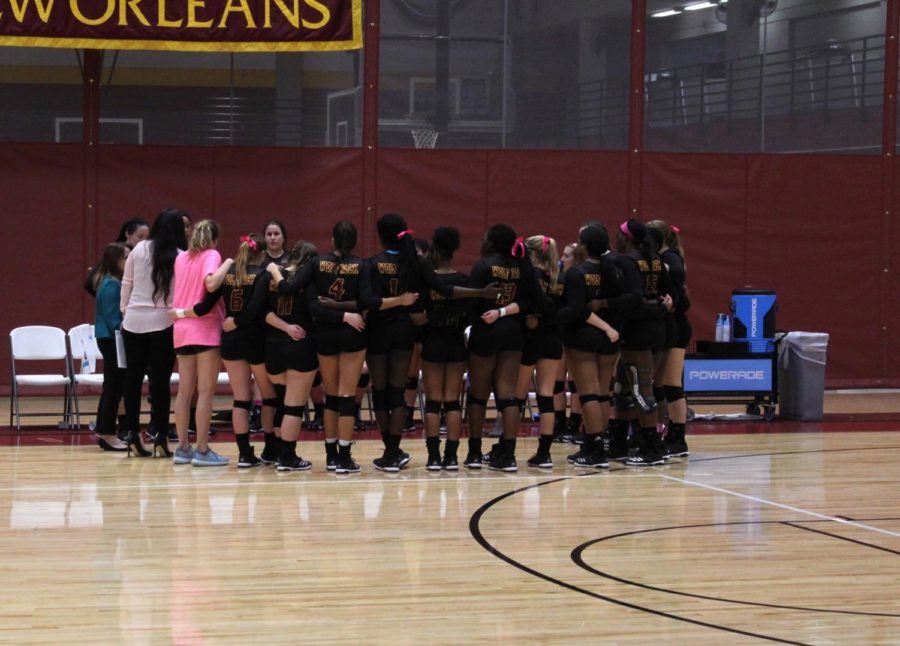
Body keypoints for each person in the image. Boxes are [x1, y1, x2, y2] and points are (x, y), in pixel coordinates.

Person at [365, 213, 497, 472]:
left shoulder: (371, 264)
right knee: (401, 393)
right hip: (407, 332)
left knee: (381, 393)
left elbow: (368, 301)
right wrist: (480, 292)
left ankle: (393, 451)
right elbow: (444, 289)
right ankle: (440, 455)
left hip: (380, 330)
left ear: (379, 236)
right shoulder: (418, 262)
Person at [269, 221, 372, 474]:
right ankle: (345, 459)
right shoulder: (362, 265)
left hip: (325, 335)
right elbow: (368, 301)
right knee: (348, 398)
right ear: (355, 241)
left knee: (331, 398)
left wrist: (273, 269)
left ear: (333, 239)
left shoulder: (316, 264)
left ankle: (330, 456)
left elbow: (293, 291)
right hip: (353, 334)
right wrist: (347, 313)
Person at [178, 233, 278, 468]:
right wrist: (239, 321)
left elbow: (204, 306)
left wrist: (181, 313)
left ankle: (244, 454)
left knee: (240, 399)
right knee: (268, 397)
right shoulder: (262, 275)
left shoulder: (227, 275)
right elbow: (255, 309)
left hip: (231, 341)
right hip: (255, 339)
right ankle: (270, 449)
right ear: (262, 254)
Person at [465, 224, 537, 472]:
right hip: (513, 334)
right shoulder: (522, 267)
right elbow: (529, 300)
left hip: (486, 331)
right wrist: (505, 312)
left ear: (492, 242)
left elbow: (472, 301)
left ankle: (474, 453)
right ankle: (508, 455)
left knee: (478, 395)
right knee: (508, 396)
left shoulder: (483, 266)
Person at [120, 208, 186, 458]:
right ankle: (159, 434)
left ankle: (132, 433)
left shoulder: (139, 249)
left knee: (132, 380)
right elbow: (180, 293)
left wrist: (125, 311)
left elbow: (127, 282)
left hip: (133, 322)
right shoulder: (180, 255)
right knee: (160, 382)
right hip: (163, 323)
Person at [557, 225, 623, 468]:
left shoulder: (577, 273)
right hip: (610, 341)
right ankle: (598, 442)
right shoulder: (614, 271)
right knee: (603, 394)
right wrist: (609, 329)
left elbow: (578, 309)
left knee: (588, 394)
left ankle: (595, 449)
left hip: (583, 338)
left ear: (583, 246)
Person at [612, 219, 675, 467]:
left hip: (638, 333)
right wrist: (661, 307)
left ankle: (651, 447)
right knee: (624, 388)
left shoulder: (626, 261)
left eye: (618, 234)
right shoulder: (657, 261)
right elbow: (675, 296)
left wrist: (654, 307)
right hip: (657, 330)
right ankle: (619, 442)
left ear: (626, 239)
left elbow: (634, 303)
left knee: (641, 390)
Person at [171, 220, 231, 467]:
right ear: (214, 239)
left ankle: (183, 448)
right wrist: (228, 262)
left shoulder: (181, 258)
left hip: (181, 328)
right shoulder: (213, 255)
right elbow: (210, 284)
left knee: (185, 391)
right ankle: (203, 450)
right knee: (206, 391)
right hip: (204, 327)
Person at [414, 227, 472, 470]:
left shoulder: (428, 282)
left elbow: (417, 316)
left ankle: (433, 457)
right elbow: (469, 316)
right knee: (452, 402)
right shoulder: (464, 282)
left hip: (433, 344)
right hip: (456, 343)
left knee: (433, 401)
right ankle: (452, 457)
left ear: (434, 249)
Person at [262, 240, 322, 471]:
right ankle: (288, 458)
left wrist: (283, 327)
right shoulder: (309, 281)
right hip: (299, 346)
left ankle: (278, 452)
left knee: (280, 402)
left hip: (273, 346)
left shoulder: (270, 278)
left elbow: (262, 312)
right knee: (294, 406)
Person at [516, 235, 566, 468]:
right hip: (553, 339)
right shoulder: (560, 278)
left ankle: (506, 449)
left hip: (531, 339)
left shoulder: (531, 276)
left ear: (531, 253)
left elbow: (527, 306)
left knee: (517, 396)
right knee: (546, 396)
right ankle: (544, 452)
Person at [647, 219, 691, 458]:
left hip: (677, 326)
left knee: (672, 384)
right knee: (661, 384)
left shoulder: (670, 257)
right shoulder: (664, 256)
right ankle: (664, 432)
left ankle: (678, 437)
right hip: (668, 325)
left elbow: (677, 272)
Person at [93, 242, 130, 451]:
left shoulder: (113, 282)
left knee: (113, 387)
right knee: (114, 387)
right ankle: (107, 432)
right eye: (125, 257)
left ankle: (104, 430)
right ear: (114, 260)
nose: (129, 261)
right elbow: (112, 319)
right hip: (111, 338)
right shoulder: (110, 285)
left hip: (112, 338)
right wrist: (130, 330)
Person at [84, 218, 150, 297]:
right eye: (140, 236)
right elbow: (90, 284)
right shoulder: (117, 252)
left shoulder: (144, 254)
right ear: (127, 234)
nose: (144, 241)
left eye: (147, 238)